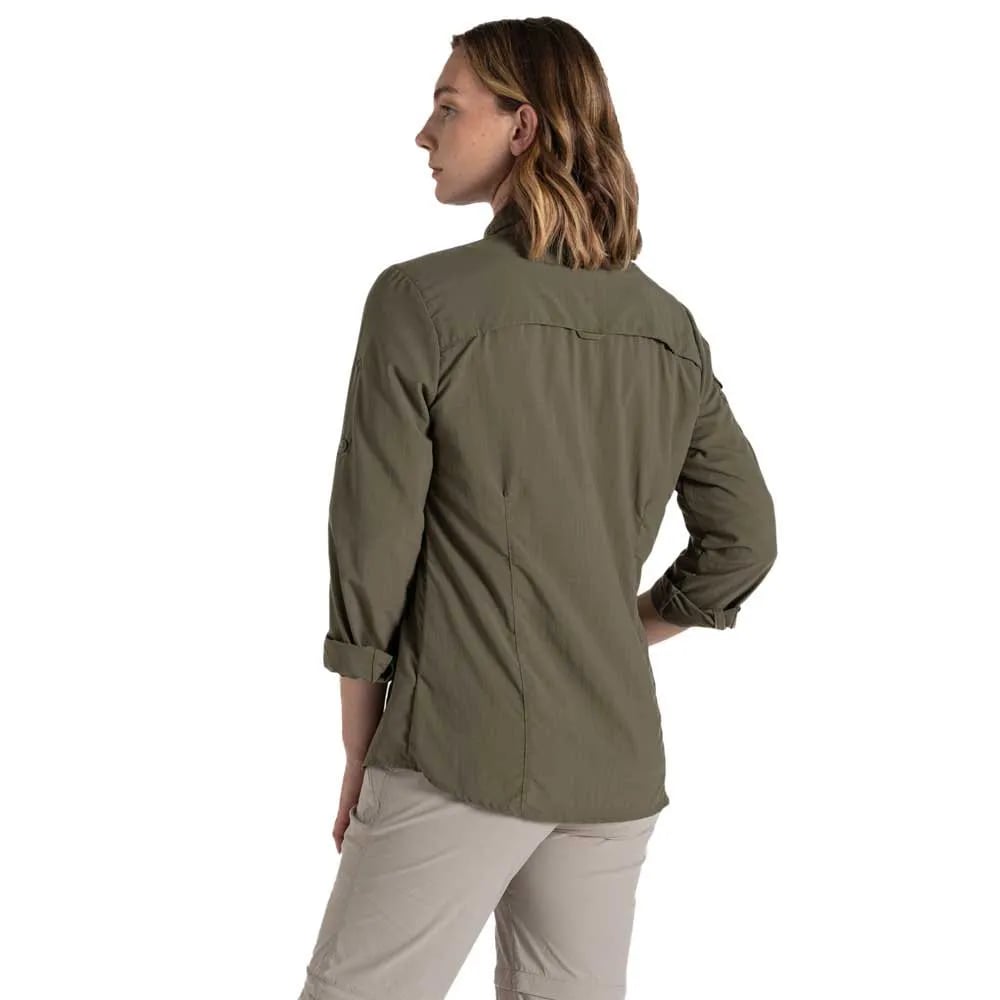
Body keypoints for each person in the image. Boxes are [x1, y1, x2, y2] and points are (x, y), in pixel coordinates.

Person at [297, 16, 777, 1000]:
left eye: (448, 106)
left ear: (523, 128)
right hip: (611, 767)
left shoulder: (420, 302)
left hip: (457, 750)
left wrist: (358, 745)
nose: (424, 133)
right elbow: (745, 537)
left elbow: (371, 546)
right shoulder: (666, 326)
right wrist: (617, 631)